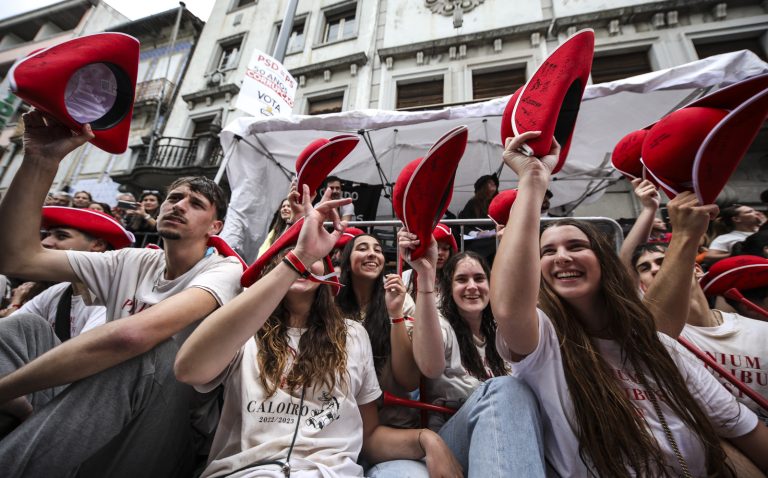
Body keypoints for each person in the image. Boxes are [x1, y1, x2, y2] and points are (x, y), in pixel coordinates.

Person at [491, 130, 767, 476]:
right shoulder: (543, 344)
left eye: (576, 246)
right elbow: (508, 307)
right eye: (547, 251)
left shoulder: (663, 347)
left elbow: (742, 428)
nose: (561, 257)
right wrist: (532, 180)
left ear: (605, 261)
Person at [0, 110, 243, 477]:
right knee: (24, 329)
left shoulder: (225, 270)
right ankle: (43, 440)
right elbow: (15, 256)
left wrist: (4, 389)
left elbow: (132, 336)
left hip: (165, 433)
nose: (179, 205)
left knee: (150, 352)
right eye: (174, 198)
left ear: (216, 226)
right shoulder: (131, 260)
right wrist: (42, 160)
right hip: (98, 408)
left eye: (196, 204)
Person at [174, 186, 462, 478]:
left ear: (326, 271)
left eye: (311, 255)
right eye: (289, 254)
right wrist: (299, 255)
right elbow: (189, 369)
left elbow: (369, 435)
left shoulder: (352, 334)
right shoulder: (244, 331)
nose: (302, 260)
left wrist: (427, 438)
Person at [395, 230, 546, 476]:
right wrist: (425, 276)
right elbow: (430, 367)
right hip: (452, 438)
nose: (472, 287)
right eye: (462, 279)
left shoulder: (503, 328)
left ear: (490, 284)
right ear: (449, 288)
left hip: (507, 438)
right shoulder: (440, 323)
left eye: (479, 278)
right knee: (504, 388)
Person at [335, 234, 420, 429]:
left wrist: (395, 314)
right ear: (346, 260)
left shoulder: (400, 299)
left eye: (378, 250)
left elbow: (409, 381)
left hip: (392, 423)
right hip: (341, 428)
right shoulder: (331, 304)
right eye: (362, 248)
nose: (372, 254)